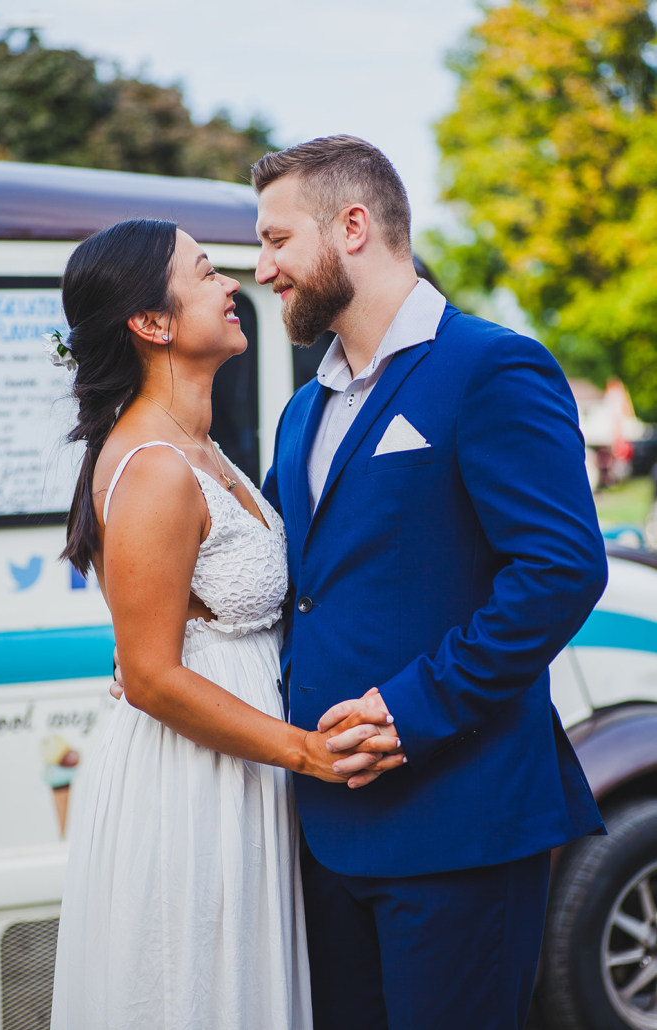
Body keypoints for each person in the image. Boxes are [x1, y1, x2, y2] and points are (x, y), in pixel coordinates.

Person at [249, 135, 609, 1030]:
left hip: (460, 825)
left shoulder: (490, 366)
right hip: (325, 834)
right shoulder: (305, 407)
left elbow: (560, 568)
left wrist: (414, 708)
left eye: (277, 240)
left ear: (353, 227)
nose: (263, 271)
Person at [49, 218, 404, 1030]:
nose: (231, 285)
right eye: (206, 272)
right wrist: (306, 753)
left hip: (239, 769)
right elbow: (147, 675)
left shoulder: (204, 449)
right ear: (153, 323)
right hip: (191, 783)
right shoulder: (155, 469)